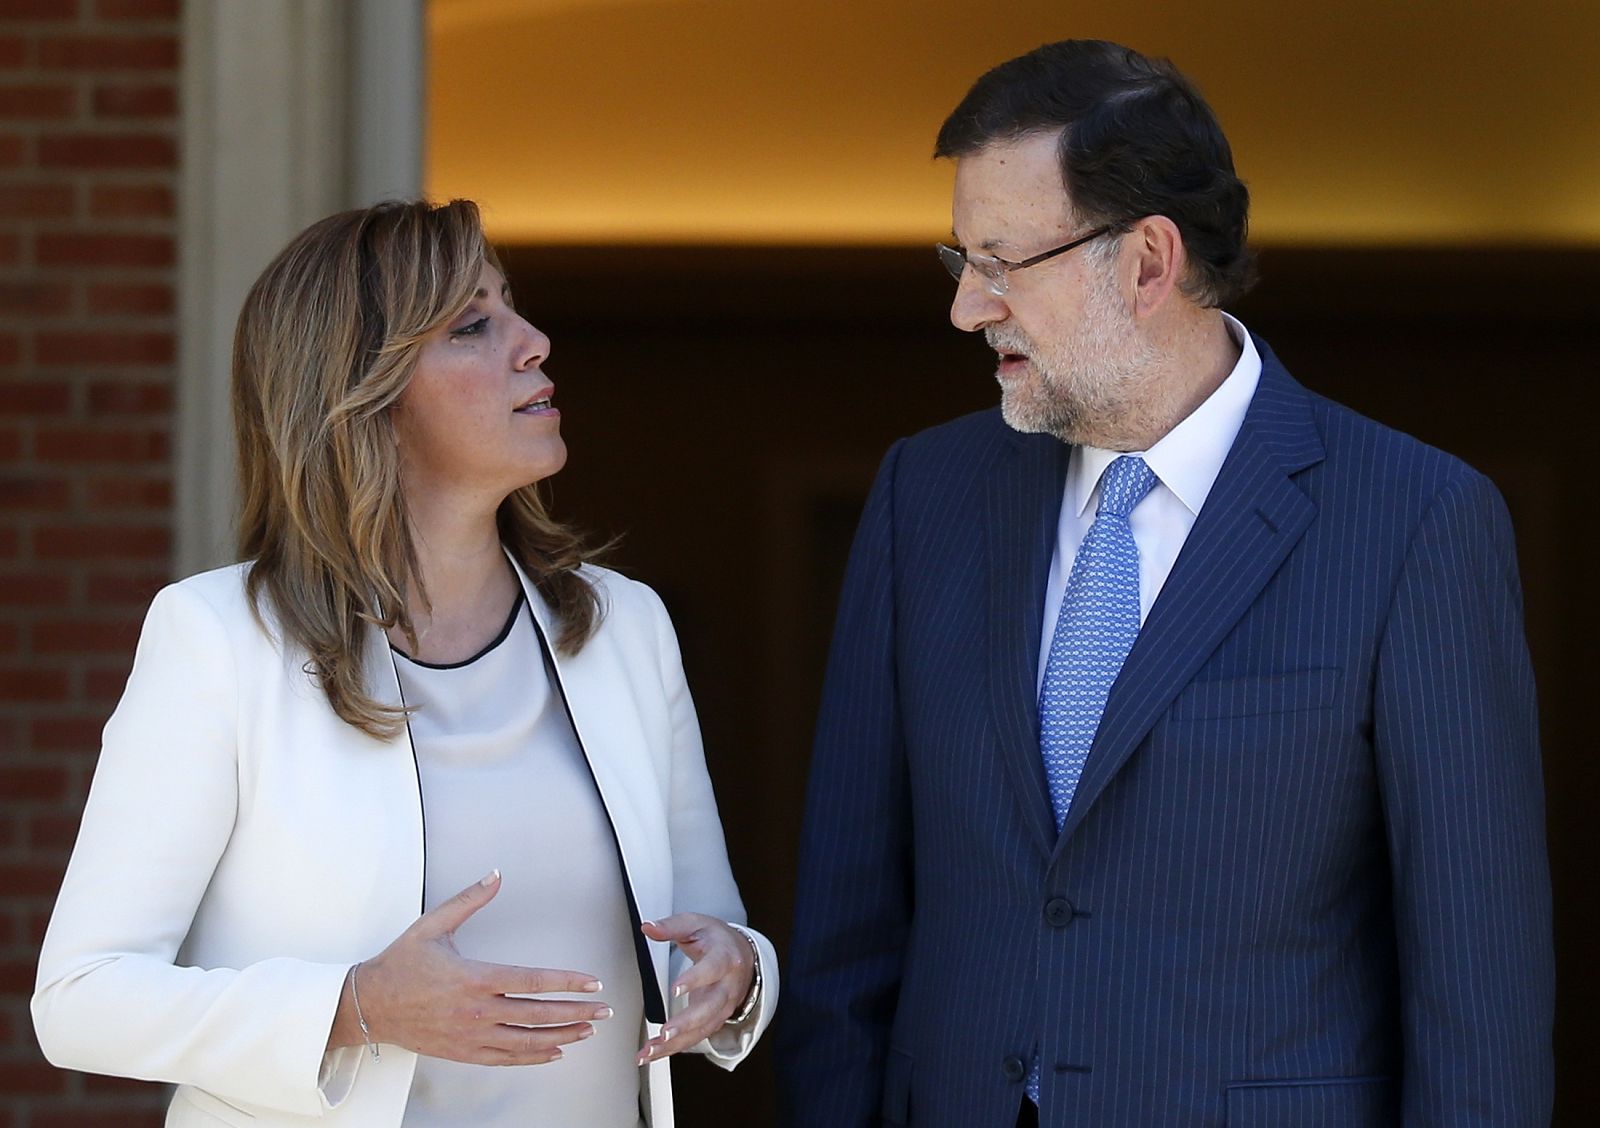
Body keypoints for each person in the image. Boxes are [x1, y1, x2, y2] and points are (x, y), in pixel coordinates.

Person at [779, 39, 1552, 1127]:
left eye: (1003, 263)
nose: (968, 308)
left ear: (1147, 262)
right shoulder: (925, 496)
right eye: (961, 263)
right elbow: (844, 940)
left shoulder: (1416, 522)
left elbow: (1478, 996)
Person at [32, 199, 776, 1128]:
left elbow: (706, 934)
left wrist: (738, 975)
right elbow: (81, 999)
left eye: (513, 306)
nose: (535, 341)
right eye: (473, 325)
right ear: (360, 394)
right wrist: (358, 1007)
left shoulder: (626, 627)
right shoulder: (217, 639)